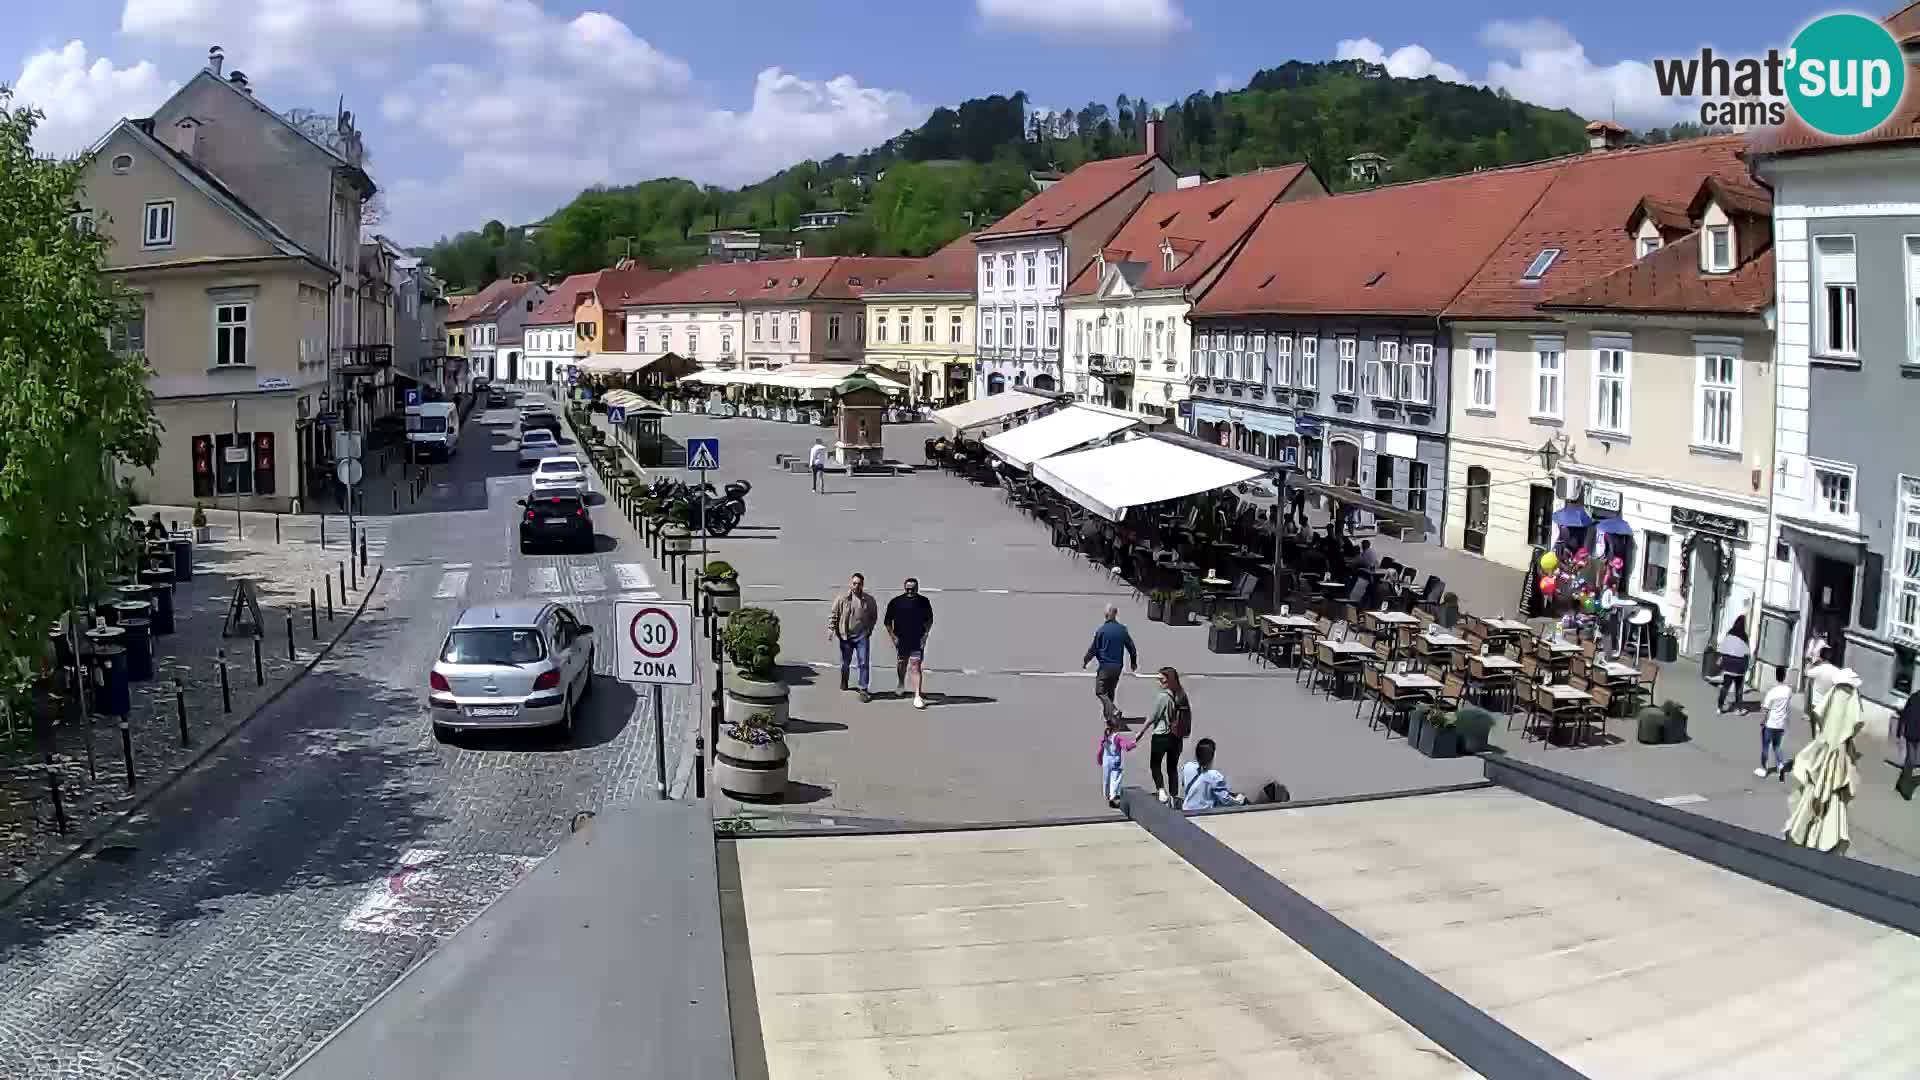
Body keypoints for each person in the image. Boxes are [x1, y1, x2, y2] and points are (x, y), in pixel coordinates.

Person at [1139, 667, 1190, 804]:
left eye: (1162, 679)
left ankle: (1161, 791)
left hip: (1161, 736)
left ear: (1169, 681)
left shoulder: (1163, 696)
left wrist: (1140, 733)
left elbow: (1153, 717)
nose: (1159, 682)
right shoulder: (1181, 694)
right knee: (1172, 767)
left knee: (1155, 765)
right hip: (1176, 737)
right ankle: (1173, 795)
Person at [1081, 605, 1138, 723]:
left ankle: (1113, 710)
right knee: (1111, 691)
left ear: (1106, 615)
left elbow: (1094, 649)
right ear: (1115, 614)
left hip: (1105, 666)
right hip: (1117, 667)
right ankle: (1110, 718)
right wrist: (1133, 662)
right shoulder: (1122, 630)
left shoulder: (1101, 630)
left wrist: (1086, 660)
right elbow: (1131, 647)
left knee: (1100, 691)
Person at [827, 572, 878, 702]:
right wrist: (831, 629)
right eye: (854, 583)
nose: (856, 586)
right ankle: (844, 680)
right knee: (845, 663)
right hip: (846, 636)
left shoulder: (869, 600)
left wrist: (869, 630)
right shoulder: (842, 599)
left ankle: (863, 689)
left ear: (863, 585)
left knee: (863, 662)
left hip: (862, 636)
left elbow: (873, 616)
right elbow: (834, 614)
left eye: (859, 584)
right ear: (851, 584)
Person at [884, 577, 933, 709]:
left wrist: (925, 635)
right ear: (904, 588)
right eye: (908, 589)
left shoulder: (924, 602)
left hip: (917, 639)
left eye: (913, 589)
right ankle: (901, 683)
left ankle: (917, 695)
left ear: (917, 588)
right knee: (902, 662)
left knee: (915, 665)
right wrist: (893, 637)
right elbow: (887, 621)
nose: (910, 591)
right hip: (901, 639)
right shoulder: (896, 602)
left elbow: (929, 620)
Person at [1179, 737, 1246, 810]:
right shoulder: (1214, 776)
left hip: (1185, 811)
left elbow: (1184, 784)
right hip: (1202, 814)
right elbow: (1225, 800)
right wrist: (1239, 800)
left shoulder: (1188, 767)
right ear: (1212, 756)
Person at [1758, 664, 1792, 779]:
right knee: (1777, 746)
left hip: (1770, 723)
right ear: (1785, 676)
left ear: (1776, 676)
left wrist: (1763, 721)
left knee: (1765, 746)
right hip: (1781, 723)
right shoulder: (1788, 691)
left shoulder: (1772, 692)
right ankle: (1780, 766)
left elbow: (1766, 709)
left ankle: (1764, 769)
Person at [1096, 714, 1137, 809]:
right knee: (1115, 778)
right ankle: (1113, 797)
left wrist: (1099, 759)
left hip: (1106, 762)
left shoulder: (1105, 737)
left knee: (1106, 779)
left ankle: (1107, 794)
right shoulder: (1117, 737)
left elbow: (1101, 750)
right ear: (1117, 727)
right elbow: (1126, 747)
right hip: (1115, 761)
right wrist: (1135, 742)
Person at [1716, 615, 1751, 714]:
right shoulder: (1744, 636)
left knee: (1725, 687)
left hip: (1728, 663)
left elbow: (1723, 647)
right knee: (1739, 688)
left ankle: (1719, 707)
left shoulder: (1729, 633)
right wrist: (1747, 666)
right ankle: (1738, 709)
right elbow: (1747, 653)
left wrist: (1723, 661)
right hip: (1739, 665)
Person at [1805, 649, 1842, 743]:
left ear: (1821, 658)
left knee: (1815, 728)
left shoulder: (1819, 669)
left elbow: (1807, 673)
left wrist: (1812, 663)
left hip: (1816, 703)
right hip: (1829, 704)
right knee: (1825, 728)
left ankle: (1815, 744)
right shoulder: (1837, 671)